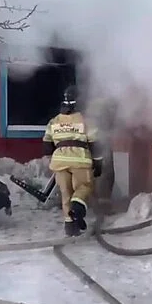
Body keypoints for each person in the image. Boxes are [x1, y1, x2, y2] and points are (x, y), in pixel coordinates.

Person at [42, 85, 103, 237]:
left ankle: (70, 226)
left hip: (60, 163)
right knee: (84, 187)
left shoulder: (54, 121)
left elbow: (47, 144)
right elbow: (95, 143)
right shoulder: (86, 121)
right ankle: (77, 208)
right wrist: (98, 162)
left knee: (66, 193)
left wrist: (54, 159)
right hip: (80, 161)